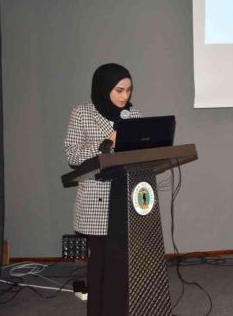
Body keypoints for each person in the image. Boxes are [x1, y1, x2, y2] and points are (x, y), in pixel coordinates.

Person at [64, 63, 141, 315]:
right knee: (100, 265)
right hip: (96, 201)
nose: (125, 96)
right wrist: (107, 143)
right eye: (119, 90)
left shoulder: (134, 116)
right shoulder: (82, 113)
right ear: (103, 87)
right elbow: (73, 156)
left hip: (126, 198)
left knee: (123, 263)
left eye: (129, 90)